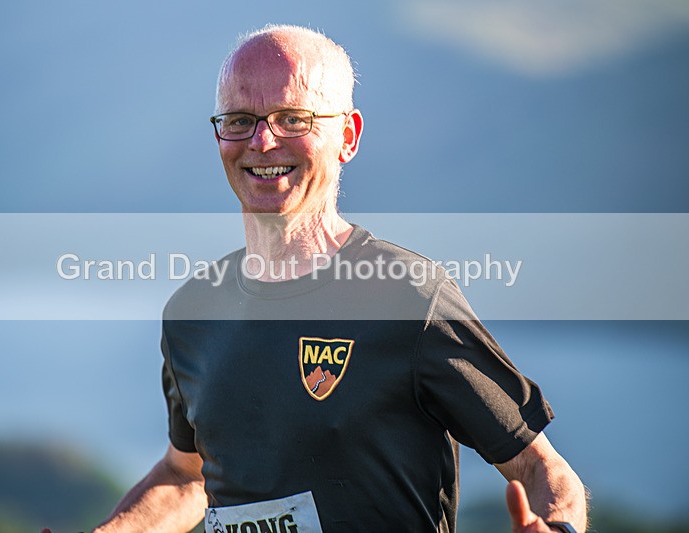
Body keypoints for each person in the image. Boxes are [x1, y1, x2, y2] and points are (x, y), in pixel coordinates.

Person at [51, 24, 588, 533]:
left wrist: (559, 526)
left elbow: (542, 469)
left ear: (347, 136)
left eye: (293, 118)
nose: (262, 142)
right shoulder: (193, 312)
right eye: (240, 120)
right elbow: (186, 476)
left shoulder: (407, 297)